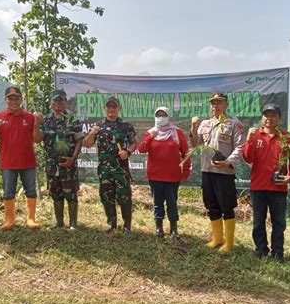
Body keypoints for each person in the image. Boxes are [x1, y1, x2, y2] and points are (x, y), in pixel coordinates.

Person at [243, 103, 290, 263]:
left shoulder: (287, 137)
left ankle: (278, 252)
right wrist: (248, 139)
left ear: (279, 118)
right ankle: (260, 249)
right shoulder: (255, 135)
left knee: (279, 222)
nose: (269, 118)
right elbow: (248, 158)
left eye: (273, 115)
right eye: (266, 115)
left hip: (279, 187)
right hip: (258, 186)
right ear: (262, 118)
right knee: (258, 221)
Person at [189, 92, 245, 252]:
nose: (215, 106)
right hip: (207, 170)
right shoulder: (205, 123)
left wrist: (228, 162)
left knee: (226, 207)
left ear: (226, 105)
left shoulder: (234, 124)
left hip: (224, 172)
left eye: (219, 103)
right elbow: (195, 144)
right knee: (211, 206)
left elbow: (240, 147)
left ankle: (229, 243)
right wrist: (193, 126)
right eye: (213, 103)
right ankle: (217, 238)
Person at [0, 86, 40, 231]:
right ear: (6, 100)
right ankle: (10, 220)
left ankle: (31, 219)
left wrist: (37, 123)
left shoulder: (30, 117)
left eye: (16, 98)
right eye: (10, 98)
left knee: (30, 191)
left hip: (28, 161)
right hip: (8, 162)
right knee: (8, 192)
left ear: (21, 99)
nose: (14, 101)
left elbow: (37, 139)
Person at [83, 96, 138, 233]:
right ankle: (111, 224)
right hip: (105, 169)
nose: (112, 109)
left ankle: (127, 225)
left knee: (124, 197)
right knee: (106, 196)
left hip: (121, 169)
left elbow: (135, 142)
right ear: (104, 108)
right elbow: (87, 144)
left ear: (119, 109)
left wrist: (128, 152)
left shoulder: (126, 126)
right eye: (109, 106)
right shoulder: (98, 126)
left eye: (114, 106)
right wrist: (92, 133)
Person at [34, 89, 83, 231]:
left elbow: (79, 140)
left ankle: (73, 223)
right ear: (51, 103)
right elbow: (37, 139)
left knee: (71, 193)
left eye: (60, 100)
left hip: (68, 164)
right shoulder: (45, 120)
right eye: (55, 100)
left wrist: (73, 158)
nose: (57, 103)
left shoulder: (72, 120)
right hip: (51, 164)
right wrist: (36, 125)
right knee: (55, 193)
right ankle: (59, 222)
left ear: (65, 102)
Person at [138, 106, 191, 238]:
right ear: (155, 117)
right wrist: (150, 137)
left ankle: (174, 229)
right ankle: (159, 228)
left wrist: (185, 170)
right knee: (157, 202)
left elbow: (186, 153)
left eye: (164, 115)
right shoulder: (150, 132)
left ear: (168, 117)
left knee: (172, 202)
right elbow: (142, 149)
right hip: (155, 175)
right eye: (158, 115)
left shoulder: (176, 133)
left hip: (172, 176)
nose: (161, 118)